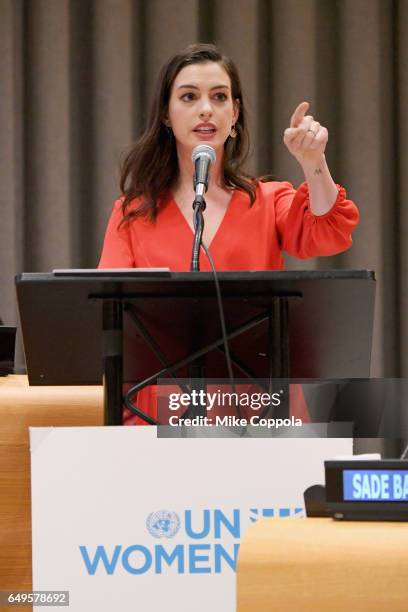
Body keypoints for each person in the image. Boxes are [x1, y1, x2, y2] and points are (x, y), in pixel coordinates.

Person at [98, 43, 359, 424]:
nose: (206, 108)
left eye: (219, 97)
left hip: (259, 412)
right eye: (189, 96)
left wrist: (313, 163)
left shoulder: (268, 200)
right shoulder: (133, 213)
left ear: (234, 114)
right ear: (167, 115)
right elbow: (110, 321)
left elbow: (328, 232)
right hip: (161, 416)